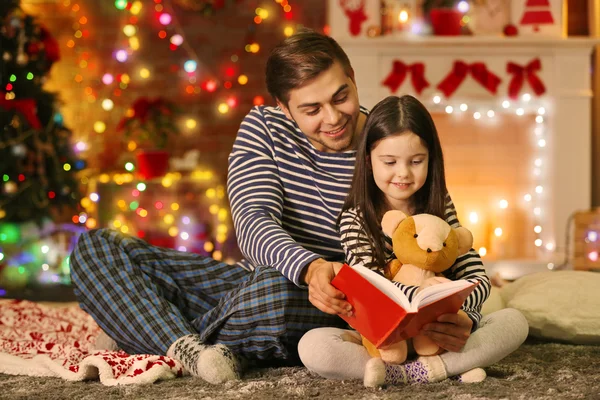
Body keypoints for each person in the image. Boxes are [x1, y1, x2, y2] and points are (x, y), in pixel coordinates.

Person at [70, 28, 363, 384]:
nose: (333, 118)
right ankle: (189, 349)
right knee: (94, 248)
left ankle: (144, 335)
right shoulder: (264, 128)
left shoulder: (390, 135)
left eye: (341, 97)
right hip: (251, 282)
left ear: (352, 76)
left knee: (274, 293)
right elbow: (253, 222)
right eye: (312, 109)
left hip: (328, 302)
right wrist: (310, 266)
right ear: (284, 108)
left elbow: (434, 232)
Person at [297, 95, 529, 387]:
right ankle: (431, 369)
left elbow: (474, 274)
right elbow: (369, 289)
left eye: (416, 161)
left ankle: (419, 369)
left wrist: (465, 317)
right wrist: (421, 290)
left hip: (436, 334)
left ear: (431, 159)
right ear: (368, 161)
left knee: (514, 322)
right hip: (383, 342)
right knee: (313, 345)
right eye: (390, 161)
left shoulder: (439, 204)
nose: (403, 173)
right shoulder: (355, 218)